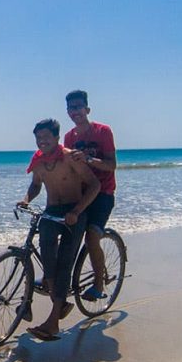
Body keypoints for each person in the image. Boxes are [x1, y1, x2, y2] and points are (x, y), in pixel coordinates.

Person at [18, 118, 100, 341]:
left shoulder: (70, 157)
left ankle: (53, 322)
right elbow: (36, 185)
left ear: (56, 137)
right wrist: (26, 199)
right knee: (48, 259)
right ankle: (60, 300)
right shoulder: (38, 161)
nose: (41, 141)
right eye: (38, 138)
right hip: (52, 211)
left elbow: (95, 185)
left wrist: (77, 211)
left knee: (64, 262)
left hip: (74, 212)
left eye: (46, 137)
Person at [62, 90, 117, 301]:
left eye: (78, 107)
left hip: (103, 192)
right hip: (81, 193)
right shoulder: (69, 137)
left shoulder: (103, 132)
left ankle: (98, 284)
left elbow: (112, 165)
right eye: (70, 108)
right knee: (64, 229)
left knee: (92, 236)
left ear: (87, 109)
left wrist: (88, 160)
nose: (74, 111)